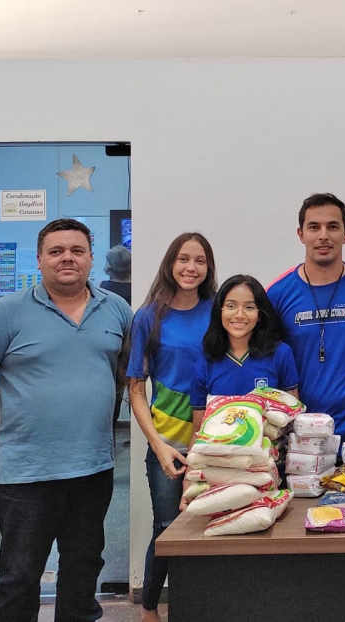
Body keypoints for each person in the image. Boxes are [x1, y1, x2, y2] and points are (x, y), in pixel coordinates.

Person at [0, 218, 133, 622]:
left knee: (83, 570)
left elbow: (124, 373)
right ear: (40, 259)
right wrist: (12, 407)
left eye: (77, 250)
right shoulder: (6, 312)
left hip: (92, 468)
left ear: (90, 259)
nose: (68, 258)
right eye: (56, 251)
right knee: (19, 576)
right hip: (26, 474)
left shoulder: (116, 309)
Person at [126, 233, 217, 622]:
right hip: (168, 443)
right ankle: (149, 608)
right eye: (183, 259)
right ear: (170, 263)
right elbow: (135, 387)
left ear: (208, 268)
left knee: (212, 524)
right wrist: (158, 446)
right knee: (167, 526)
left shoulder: (218, 312)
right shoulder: (149, 316)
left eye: (199, 260)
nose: (190, 268)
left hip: (214, 442)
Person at [267, 193, 345, 442]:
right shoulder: (277, 294)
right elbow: (269, 362)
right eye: (314, 227)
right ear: (301, 234)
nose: (324, 235)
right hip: (300, 434)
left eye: (333, 227)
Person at [191, 275, 299, 426]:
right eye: (231, 306)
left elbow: (292, 419)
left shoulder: (280, 354)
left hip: (270, 448)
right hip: (218, 448)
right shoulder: (205, 364)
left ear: (260, 314)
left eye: (249, 307)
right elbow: (198, 431)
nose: (239, 315)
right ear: (219, 311)